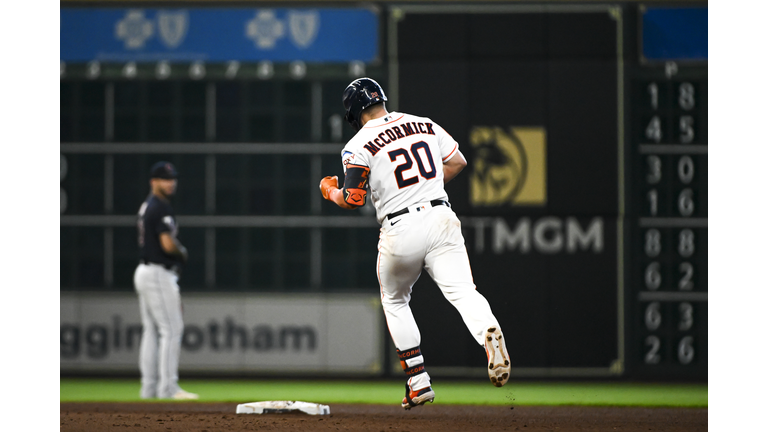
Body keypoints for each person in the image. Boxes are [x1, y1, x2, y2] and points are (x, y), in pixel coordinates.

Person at [319, 78, 510, 410]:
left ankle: (418, 382)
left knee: (394, 300)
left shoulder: (359, 142)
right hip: (441, 216)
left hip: (400, 226)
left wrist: (329, 191)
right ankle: (489, 332)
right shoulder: (423, 123)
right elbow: (458, 162)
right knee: (464, 291)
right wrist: (426, 186)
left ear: (352, 114)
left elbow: (353, 198)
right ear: (382, 99)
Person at [133, 161, 198, 400]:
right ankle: (168, 388)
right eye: (165, 179)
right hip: (158, 273)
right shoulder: (160, 207)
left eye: (172, 179)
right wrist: (182, 252)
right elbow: (168, 244)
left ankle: (149, 388)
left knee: (152, 331)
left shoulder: (147, 205)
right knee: (172, 329)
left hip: (145, 271)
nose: (170, 183)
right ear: (153, 181)